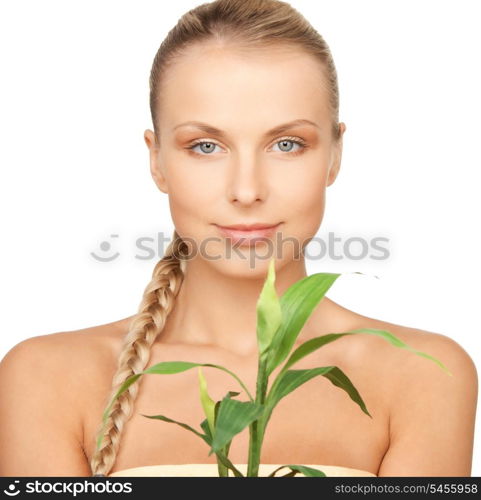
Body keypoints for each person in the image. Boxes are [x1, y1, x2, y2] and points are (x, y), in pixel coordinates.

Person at [0, 0, 477, 478]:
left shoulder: (424, 376)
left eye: (287, 144)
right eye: (205, 146)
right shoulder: (46, 379)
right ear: (158, 161)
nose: (247, 191)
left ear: (334, 155)